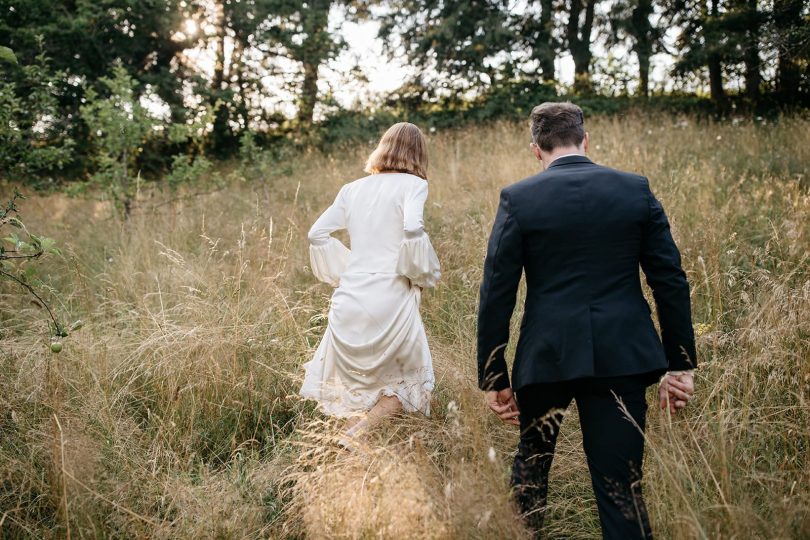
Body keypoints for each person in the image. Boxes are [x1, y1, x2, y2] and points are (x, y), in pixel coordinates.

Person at [477, 102, 697, 539]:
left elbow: (496, 292)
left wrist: (493, 375)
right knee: (621, 488)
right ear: (586, 140)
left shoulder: (518, 198)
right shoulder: (634, 189)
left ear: (535, 150)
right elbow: (669, 279)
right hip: (622, 356)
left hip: (547, 357)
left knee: (531, 473)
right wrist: (681, 363)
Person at [300, 122, 441, 442]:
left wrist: (350, 268)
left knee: (358, 384)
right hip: (391, 295)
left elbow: (316, 234)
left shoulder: (352, 189)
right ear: (419, 153)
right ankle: (356, 436)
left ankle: (351, 452)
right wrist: (417, 270)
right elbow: (413, 229)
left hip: (351, 295)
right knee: (410, 382)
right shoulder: (414, 184)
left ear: (383, 147)